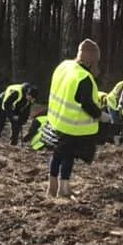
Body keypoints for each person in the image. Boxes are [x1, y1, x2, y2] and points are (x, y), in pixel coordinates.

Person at [45, 39, 104, 199]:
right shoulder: (84, 77)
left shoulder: (65, 66)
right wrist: (100, 115)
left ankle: (52, 187)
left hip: (56, 121)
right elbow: (86, 103)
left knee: (57, 154)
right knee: (68, 157)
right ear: (91, 60)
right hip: (72, 126)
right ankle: (64, 189)